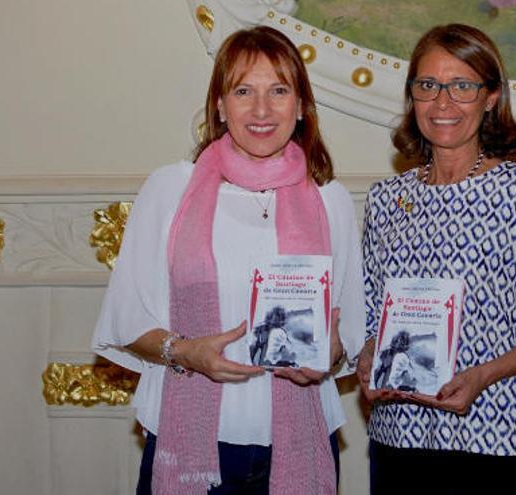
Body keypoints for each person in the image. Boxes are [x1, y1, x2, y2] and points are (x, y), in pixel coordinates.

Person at [92, 26, 365, 495]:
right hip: (190, 440)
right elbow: (126, 317)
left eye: (279, 91)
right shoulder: (169, 189)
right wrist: (187, 353)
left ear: (301, 107)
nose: (262, 110)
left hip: (299, 441)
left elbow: (346, 336)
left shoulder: (330, 200)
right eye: (244, 91)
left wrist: (328, 351)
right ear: (220, 105)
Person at [356, 24, 516, 495]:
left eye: (463, 86)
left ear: (490, 98)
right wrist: (368, 358)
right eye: (428, 86)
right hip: (401, 436)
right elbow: (370, 316)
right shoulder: (387, 199)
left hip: (501, 437)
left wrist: (482, 375)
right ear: (412, 97)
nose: (443, 103)